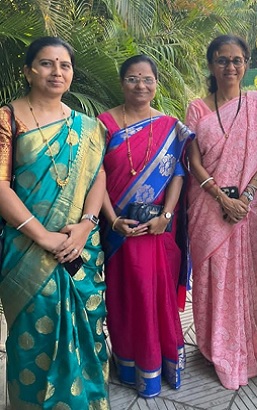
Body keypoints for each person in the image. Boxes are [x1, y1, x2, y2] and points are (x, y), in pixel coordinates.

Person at [0, 37, 109, 409]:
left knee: (88, 330)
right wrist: (43, 236)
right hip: (26, 248)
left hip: (80, 247)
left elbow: (98, 177)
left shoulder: (88, 127)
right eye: (46, 63)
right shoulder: (8, 118)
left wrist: (86, 225)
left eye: (65, 65)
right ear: (28, 71)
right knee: (33, 337)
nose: (57, 72)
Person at [186, 34, 257, 390]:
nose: (230, 66)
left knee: (252, 279)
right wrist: (221, 196)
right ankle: (215, 348)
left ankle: (248, 348)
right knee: (213, 277)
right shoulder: (197, 108)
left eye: (237, 60)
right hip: (209, 204)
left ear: (246, 63)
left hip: (252, 206)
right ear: (211, 64)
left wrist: (246, 195)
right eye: (222, 59)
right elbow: (193, 159)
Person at [98, 54, 194, 398]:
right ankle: (129, 365)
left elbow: (179, 175)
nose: (140, 85)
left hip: (157, 231)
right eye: (132, 79)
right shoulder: (103, 124)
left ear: (156, 84)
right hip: (118, 231)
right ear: (122, 82)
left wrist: (165, 217)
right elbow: (96, 177)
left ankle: (161, 363)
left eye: (147, 79)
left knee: (157, 296)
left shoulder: (170, 126)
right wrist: (113, 220)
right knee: (124, 297)